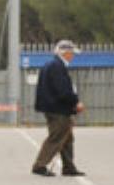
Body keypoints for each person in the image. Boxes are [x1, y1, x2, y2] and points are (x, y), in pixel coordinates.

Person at [31, 40, 85, 177]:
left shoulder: (52, 64)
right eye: (71, 53)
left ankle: (68, 167)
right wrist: (75, 103)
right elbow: (63, 90)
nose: (72, 56)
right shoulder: (57, 66)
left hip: (53, 108)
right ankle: (40, 165)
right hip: (58, 109)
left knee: (67, 138)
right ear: (65, 53)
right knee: (56, 137)